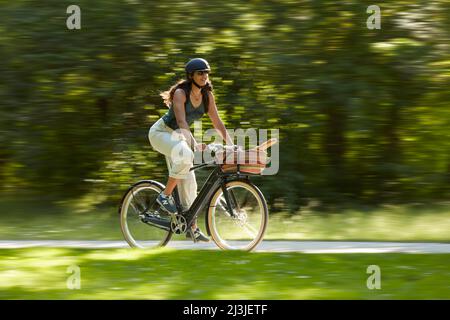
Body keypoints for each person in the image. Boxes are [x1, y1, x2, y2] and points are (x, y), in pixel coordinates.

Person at [148, 58, 233, 242]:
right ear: (191, 76)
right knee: (186, 155)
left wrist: (232, 144)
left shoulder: (207, 96)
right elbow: (180, 122)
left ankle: (191, 228)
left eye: (206, 73)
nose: (204, 76)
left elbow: (217, 122)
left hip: (179, 137)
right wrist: (192, 144)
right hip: (161, 133)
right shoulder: (181, 93)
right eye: (200, 73)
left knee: (191, 183)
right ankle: (165, 196)